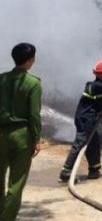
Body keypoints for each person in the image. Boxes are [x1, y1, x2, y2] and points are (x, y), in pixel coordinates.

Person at [0, 43, 41, 221]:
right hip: (22, 136)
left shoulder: (1, 79)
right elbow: (34, 115)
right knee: (16, 184)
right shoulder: (33, 83)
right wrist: (36, 139)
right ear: (30, 61)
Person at [59, 58, 102, 182]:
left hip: (84, 118)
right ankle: (66, 173)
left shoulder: (92, 85)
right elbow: (101, 104)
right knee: (79, 145)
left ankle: (94, 170)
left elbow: (96, 101)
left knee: (94, 144)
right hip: (87, 120)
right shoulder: (99, 86)